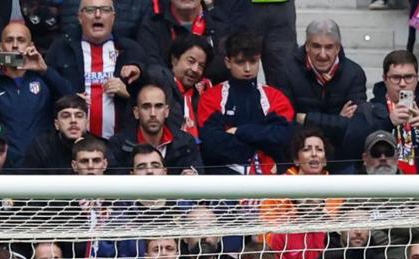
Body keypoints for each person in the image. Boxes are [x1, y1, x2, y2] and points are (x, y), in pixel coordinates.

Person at [0, 21, 75, 159]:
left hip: (41, 162)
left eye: (21, 40)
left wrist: (45, 70)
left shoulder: (45, 78)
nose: (15, 45)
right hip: (4, 164)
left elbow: (72, 101)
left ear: (31, 46)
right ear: (1, 47)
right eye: (9, 40)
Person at [347, 48, 419, 175]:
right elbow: (350, 148)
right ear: (385, 78)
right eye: (396, 78)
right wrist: (388, 122)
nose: (402, 84)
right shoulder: (368, 110)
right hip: (382, 188)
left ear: (417, 78)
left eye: (408, 77)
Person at [197, 28, 293, 176]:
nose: (247, 68)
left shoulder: (275, 97)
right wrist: (260, 143)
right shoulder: (211, 97)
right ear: (228, 62)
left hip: (269, 177)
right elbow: (212, 144)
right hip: (224, 178)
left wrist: (239, 131)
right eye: (240, 62)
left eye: (253, 61)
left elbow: (283, 137)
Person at [44, 0, 143, 141]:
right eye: (90, 10)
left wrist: (129, 93)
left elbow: (152, 92)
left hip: (120, 145)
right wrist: (70, 99)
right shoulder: (61, 48)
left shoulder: (131, 49)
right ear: (79, 17)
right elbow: (46, 92)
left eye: (105, 10)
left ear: (113, 17)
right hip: (72, 145)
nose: (98, 15)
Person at [281, 19, 367, 152]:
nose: (322, 54)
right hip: (300, 152)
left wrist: (306, 118)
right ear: (307, 46)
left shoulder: (354, 74)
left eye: (329, 47)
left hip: (341, 153)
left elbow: (354, 126)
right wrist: (338, 120)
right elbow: (286, 122)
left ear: (338, 48)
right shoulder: (287, 71)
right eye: (316, 46)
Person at [107, 81, 200, 173]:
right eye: (146, 107)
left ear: (166, 111)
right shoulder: (118, 145)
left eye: (158, 106)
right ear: (136, 112)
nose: (153, 114)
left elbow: (200, 178)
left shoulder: (186, 143)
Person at [20, 93, 86, 173]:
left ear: (87, 122)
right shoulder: (40, 148)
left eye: (79, 116)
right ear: (56, 124)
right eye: (66, 116)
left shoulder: (99, 146)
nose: (73, 121)